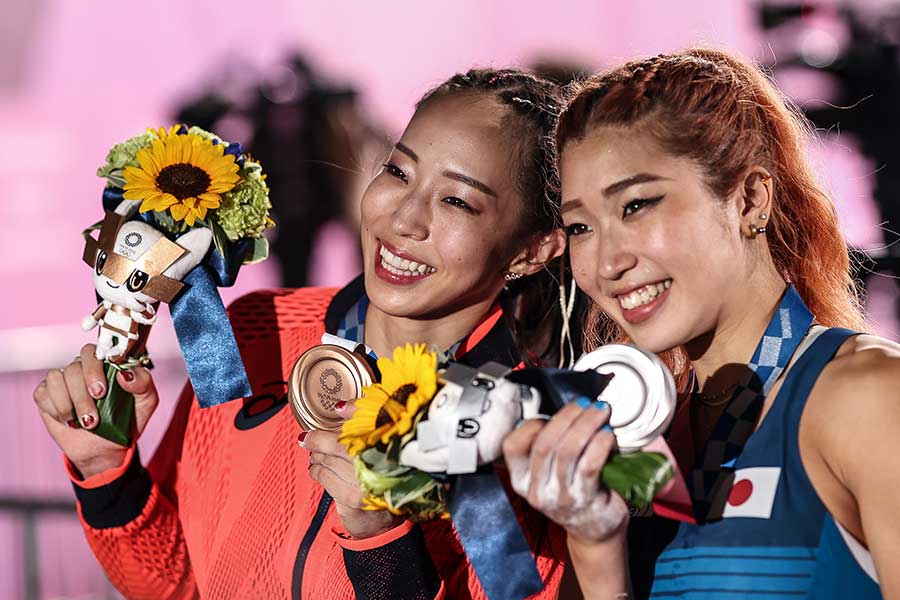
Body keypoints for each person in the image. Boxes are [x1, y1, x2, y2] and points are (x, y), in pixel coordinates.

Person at [33, 68, 570, 599]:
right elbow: (176, 583)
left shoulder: (513, 430)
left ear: (534, 249)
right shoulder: (250, 335)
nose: (404, 219)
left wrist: (381, 541)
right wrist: (105, 470)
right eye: (398, 172)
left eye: (457, 201)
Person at [503, 48, 899, 599]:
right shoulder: (634, 439)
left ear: (749, 200)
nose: (606, 262)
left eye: (637, 205)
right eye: (579, 227)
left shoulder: (871, 396)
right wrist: (596, 553)